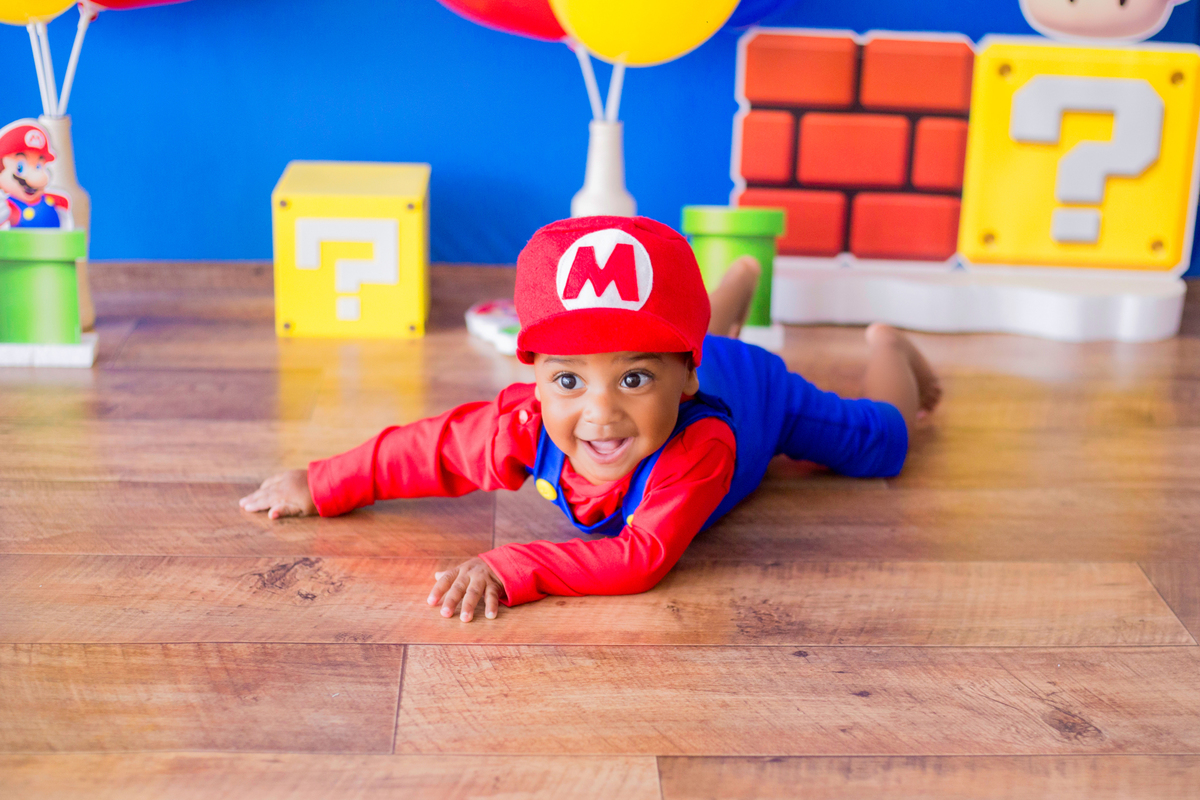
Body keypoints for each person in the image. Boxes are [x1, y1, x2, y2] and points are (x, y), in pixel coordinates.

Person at [240, 216, 941, 622]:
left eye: (633, 378)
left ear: (682, 377)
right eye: (569, 380)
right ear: (535, 379)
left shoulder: (695, 448)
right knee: (700, 337)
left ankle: (891, 346)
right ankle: (740, 281)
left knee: (884, 441)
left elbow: (639, 559)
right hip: (706, 353)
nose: (600, 413)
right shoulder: (525, 422)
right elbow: (433, 450)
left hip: (762, 396)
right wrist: (324, 481)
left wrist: (517, 565)